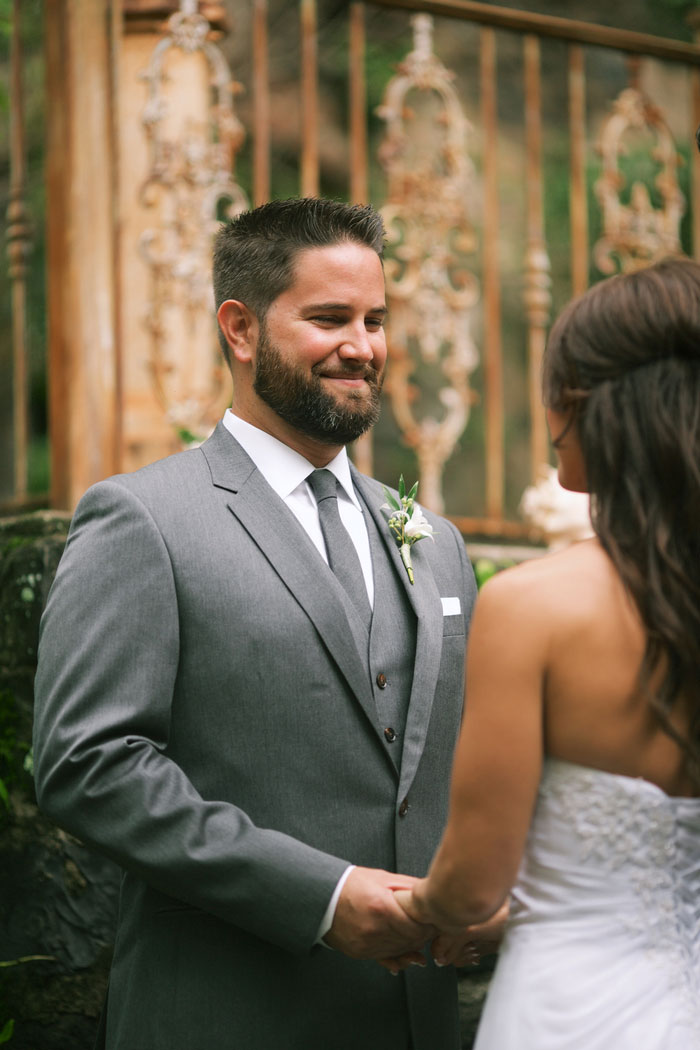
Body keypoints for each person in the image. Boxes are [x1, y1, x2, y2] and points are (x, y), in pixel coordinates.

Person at [32, 197, 479, 1050]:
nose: (364, 347)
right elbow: (86, 763)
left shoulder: (436, 541)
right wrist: (319, 895)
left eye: (376, 319)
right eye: (329, 318)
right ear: (240, 328)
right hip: (227, 1015)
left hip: (422, 1021)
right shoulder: (144, 520)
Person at [392, 257, 700, 1047]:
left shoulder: (535, 608)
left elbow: (472, 883)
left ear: (582, 405)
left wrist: (420, 911)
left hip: (573, 1012)